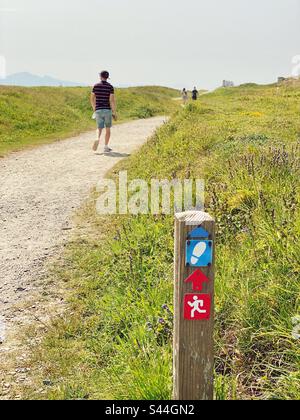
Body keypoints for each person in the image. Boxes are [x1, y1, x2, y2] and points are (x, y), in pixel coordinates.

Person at [90, 71, 117, 153]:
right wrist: (114, 112)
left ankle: (97, 138)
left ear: (100, 76)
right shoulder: (110, 87)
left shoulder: (95, 86)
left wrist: (94, 108)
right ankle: (106, 147)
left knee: (99, 127)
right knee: (108, 129)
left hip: (98, 109)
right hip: (107, 110)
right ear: (107, 77)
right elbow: (111, 100)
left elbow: (91, 99)